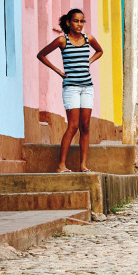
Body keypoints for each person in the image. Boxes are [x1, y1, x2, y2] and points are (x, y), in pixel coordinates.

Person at [37, 9, 103, 173]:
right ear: (68, 22)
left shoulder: (89, 39)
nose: (79, 24)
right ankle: (61, 165)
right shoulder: (62, 40)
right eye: (76, 21)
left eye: (82, 21)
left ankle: (83, 165)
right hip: (71, 88)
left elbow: (100, 51)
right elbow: (41, 55)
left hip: (87, 87)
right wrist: (58, 71)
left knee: (85, 126)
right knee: (73, 126)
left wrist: (89, 62)